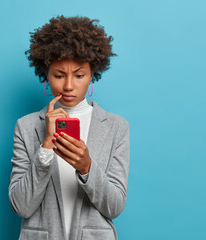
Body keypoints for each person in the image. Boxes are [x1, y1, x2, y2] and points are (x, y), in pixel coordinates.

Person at [8, 15, 130, 240]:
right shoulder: (26, 127)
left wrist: (87, 167)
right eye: (59, 75)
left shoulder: (116, 127)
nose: (68, 85)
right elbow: (21, 206)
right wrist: (45, 149)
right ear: (46, 74)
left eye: (79, 75)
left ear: (93, 74)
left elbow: (114, 207)